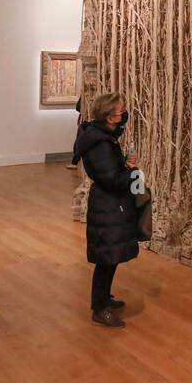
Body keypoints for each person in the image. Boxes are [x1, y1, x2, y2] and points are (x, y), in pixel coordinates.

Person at [71, 92, 139, 327]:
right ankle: (99, 308)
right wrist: (131, 170)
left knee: (111, 256)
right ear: (109, 118)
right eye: (121, 112)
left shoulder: (100, 135)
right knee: (106, 258)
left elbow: (112, 139)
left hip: (110, 205)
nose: (124, 115)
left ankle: (104, 298)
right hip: (108, 204)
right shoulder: (100, 145)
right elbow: (112, 179)